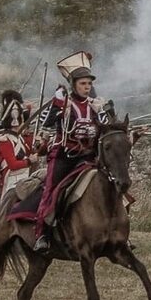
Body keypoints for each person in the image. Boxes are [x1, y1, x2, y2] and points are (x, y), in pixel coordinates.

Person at [33, 50, 105, 251]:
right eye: (83, 83)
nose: (87, 87)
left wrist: (105, 113)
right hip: (64, 155)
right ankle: (42, 234)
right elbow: (45, 122)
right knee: (51, 189)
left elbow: (107, 129)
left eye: (89, 84)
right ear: (74, 84)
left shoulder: (95, 106)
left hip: (88, 156)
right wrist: (57, 104)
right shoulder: (64, 102)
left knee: (112, 181)